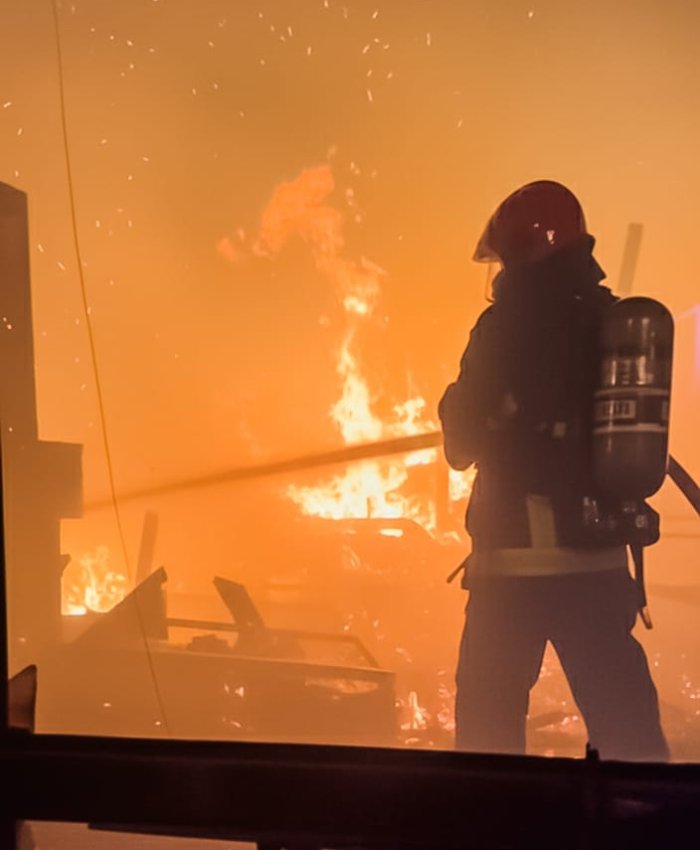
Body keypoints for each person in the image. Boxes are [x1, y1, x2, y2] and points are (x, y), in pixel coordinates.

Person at [438, 180, 669, 761]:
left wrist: (458, 407)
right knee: (629, 733)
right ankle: (652, 833)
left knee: (485, 744)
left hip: (511, 571)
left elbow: (461, 441)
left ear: (518, 251)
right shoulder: (610, 322)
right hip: (598, 565)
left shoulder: (504, 327)